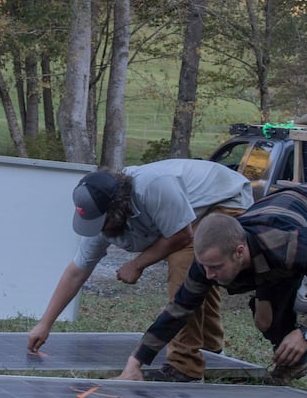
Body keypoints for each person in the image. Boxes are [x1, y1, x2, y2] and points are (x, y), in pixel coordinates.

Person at [118, 182, 307, 398]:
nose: (209, 275)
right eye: (205, 267)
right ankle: (296, 362)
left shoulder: (292, 244)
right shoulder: (209, 260)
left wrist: (306, 331)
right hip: (272, 230)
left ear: (239, 253)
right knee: (265, 318)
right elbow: (179, 310)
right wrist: (136, 362)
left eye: (216, 268)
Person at [27, 159, 253, 382]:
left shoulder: (153, 187)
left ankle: (185, 368)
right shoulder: (102, 217)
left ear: (116, 210)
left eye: (101, 224)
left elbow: (181, 236)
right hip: (188, 214)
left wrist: (137, 264)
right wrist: (45, 324)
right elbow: (77, 271)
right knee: (200, 274)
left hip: (225, 198)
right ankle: (210, 349)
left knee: (183, 264)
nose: (99, 230)